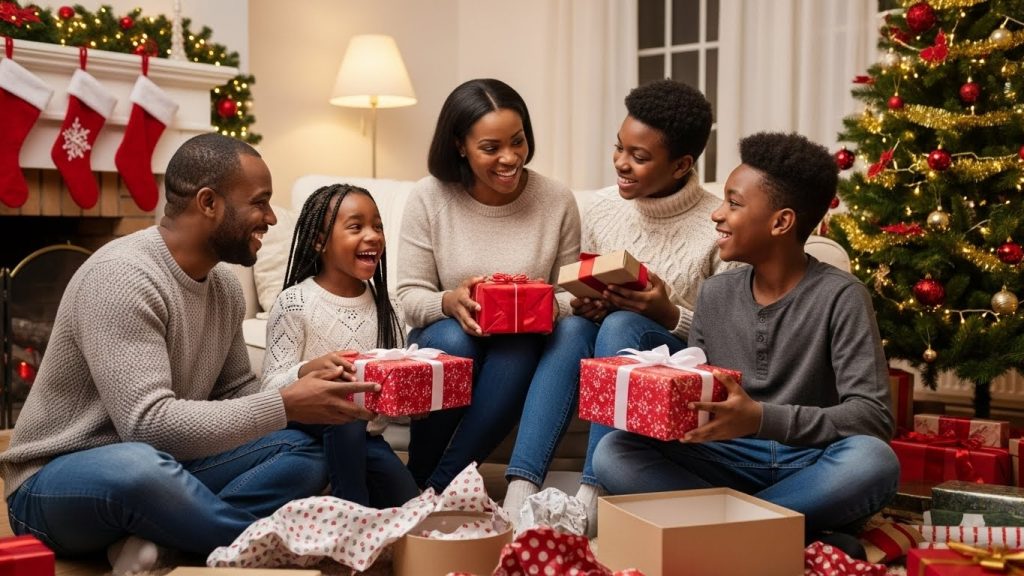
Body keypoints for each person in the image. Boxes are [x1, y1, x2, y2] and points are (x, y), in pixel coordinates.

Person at [0, 133, 379, 575]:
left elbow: (237, 392)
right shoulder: (122, 277)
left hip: (167, 468)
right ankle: (275, 546)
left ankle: (158, 538)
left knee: (304, 448)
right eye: (260, 202)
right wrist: (284, 403)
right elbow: (148, 425)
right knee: (139, 466)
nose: (271, 218)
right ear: (208, 202)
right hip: (53, 485)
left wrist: (298, 394)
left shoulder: (222, 287)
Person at [593, 132, 899, 554]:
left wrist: (760, 418)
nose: (716, 214)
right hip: (727, 459)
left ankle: (726, 537)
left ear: (780, 222)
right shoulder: (716, 293)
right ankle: (785, 535)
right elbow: (701, 389)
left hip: (808, 461)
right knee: (613, 451)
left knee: (873, 461)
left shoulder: (842, 296)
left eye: (734, 204)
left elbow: (872, 417)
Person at [502, 79, 736, 533]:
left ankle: (594, 494)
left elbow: (725, 341)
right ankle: (519, 489)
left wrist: (666, 312)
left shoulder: (717, 226)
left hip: (673, 357)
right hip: (605, 336)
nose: (621, 164)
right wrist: (583, 304)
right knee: (573, 330)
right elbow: (576, 292)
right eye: (619, 148)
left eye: (640, 157)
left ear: (682, 164)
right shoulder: (603, 208)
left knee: (624, 325)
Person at [396, 78, 582, 493]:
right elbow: (409, 295)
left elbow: (572, 295)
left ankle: (440, 484)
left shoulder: (556, 200)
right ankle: (422, 473)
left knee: (519, 344)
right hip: (448, 336)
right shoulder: (429, 197)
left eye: (518, 141)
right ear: (460, 145)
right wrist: (451, 302)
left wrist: (545, 305)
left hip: (522, 345)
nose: (510, 158)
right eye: (491, 148)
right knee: (455, 340)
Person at [262, 183, 419, 508]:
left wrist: (413, 397)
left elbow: (392, 398)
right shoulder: (295, 303)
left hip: (365, 438)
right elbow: (269, 390)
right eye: (356, 226)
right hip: (304, 426)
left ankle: (342, 499)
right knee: (342, 410)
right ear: (320, 241)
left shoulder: (389, 307)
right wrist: (306, 370)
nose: (374, 236)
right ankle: (350, 515)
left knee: (408, 502)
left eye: (378, 226)